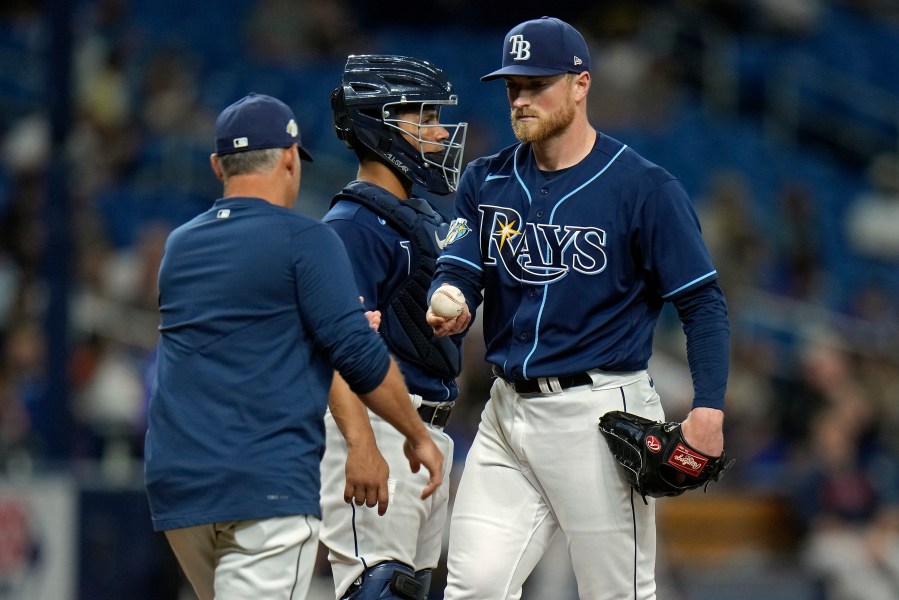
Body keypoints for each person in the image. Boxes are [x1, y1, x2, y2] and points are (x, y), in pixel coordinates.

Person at [427, 17, 730, 600]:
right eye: (513, 86)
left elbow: (702, 303)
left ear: (580, 84)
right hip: (504, 413)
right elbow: (458, 269)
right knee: (475, 587)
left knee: (615, 594)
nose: (521, 98)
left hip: (597, 413)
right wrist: (453, 299)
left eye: (537, 84)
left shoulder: (643, 188)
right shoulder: (486, 180)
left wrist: (710, 409)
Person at [143, 93, 444, 600]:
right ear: (289, 158)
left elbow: (243, 331)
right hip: (264, 480)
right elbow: (360, 357)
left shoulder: (179, 246)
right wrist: (415, 434)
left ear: (218, 165)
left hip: (179, 484)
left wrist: (318, 326)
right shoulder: (305, 239)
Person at [318, 55, 468, 600]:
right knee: (379, 588)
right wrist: (361, 445)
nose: (440, 132)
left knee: (407, 588)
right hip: (377, 432)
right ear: (381, 127)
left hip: (424, 432)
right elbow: (332, 347)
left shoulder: (416, 219)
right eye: (423, 118)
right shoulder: (351, 226)